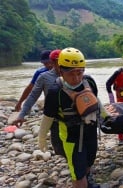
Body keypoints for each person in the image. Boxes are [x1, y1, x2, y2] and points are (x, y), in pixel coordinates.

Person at [38, 47, 102, 187]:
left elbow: (96, 101)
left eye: (80, 72)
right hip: (72, 139)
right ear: (61, 70)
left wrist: (106, 116)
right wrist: (42, 138)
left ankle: (87, 180)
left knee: (89, 161)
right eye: (71, 73)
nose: (76, 78)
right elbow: (47, 117)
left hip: (91, 133)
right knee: (77, 173)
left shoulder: (89, 82)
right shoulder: (56, 92)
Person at [13, 49, 61, 127]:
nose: (49, 65)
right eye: (46, 63)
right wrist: (20, 105)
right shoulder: (42, 75)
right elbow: (32, 92)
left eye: (50, 62)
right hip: (52, 111)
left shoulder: (72, 73)